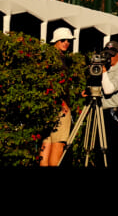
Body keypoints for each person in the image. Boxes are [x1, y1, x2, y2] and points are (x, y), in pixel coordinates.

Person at [40, 27, 75, 166]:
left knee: (46, 142)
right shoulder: (57, 59)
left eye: (68, 40)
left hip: (48, 106)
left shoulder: (48, 56)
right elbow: (52, 83)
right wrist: (62, 103)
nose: (66, 43)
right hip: (60, 107)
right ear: (56, 41)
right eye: (63, 40)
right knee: (58, 144)